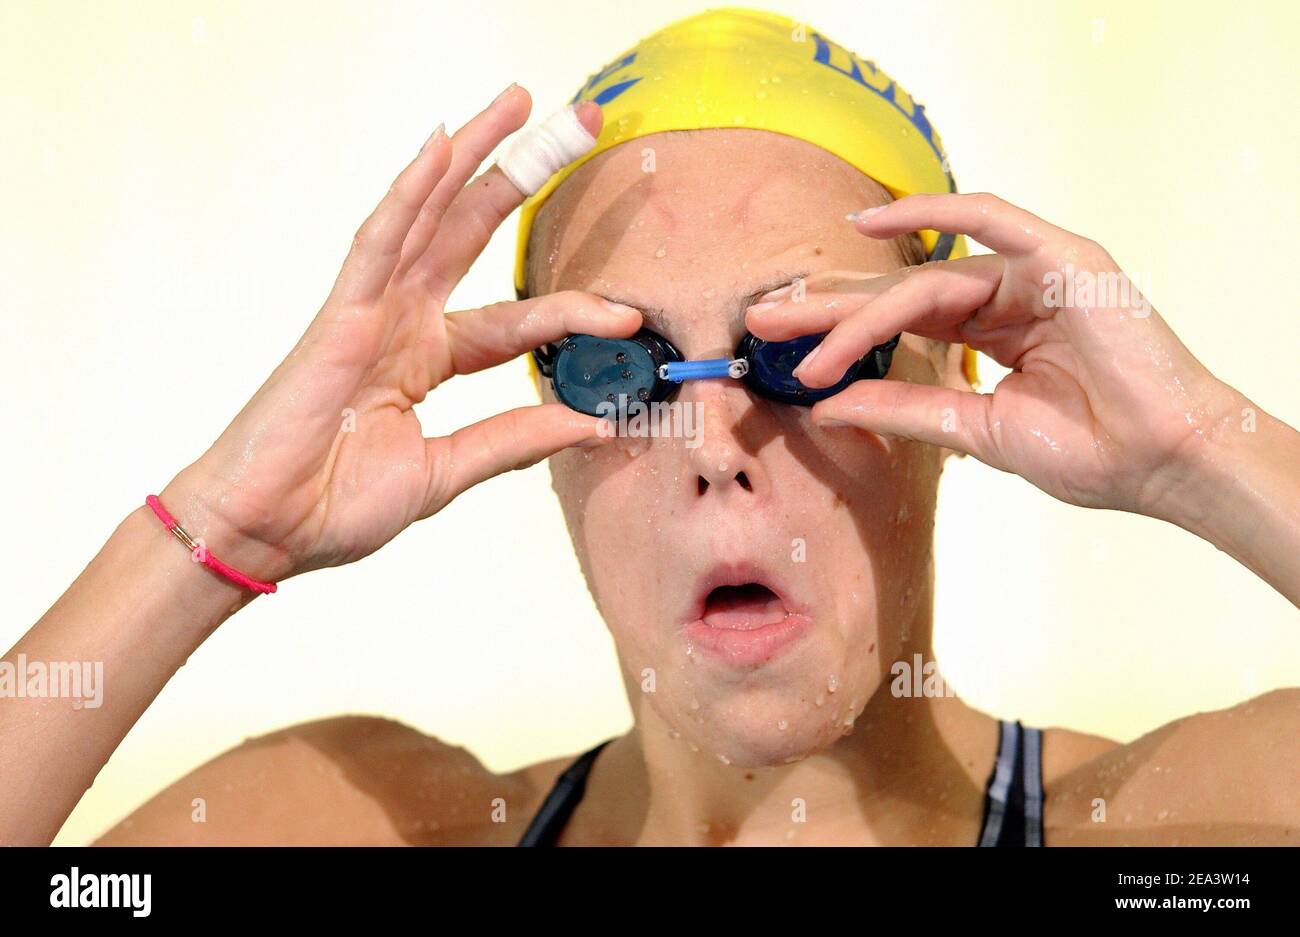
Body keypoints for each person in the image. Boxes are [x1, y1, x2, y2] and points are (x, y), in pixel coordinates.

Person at [2, 9, 1296, 847]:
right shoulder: (365, 823)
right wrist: (212, 531)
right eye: (621, 367)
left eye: (805, 351)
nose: (715, 446)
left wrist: (1199, 445)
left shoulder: (1183, 837)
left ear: (956, 379)